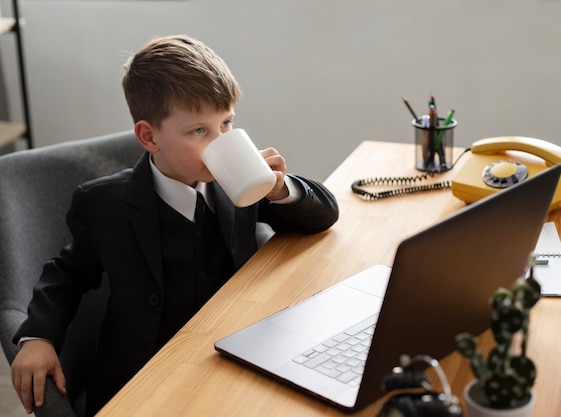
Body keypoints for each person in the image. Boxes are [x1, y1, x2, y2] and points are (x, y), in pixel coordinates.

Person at [10, 34, 339, 416]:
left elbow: (324, 215)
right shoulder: (104, 203)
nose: (220, 140)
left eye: (227, 124)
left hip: (232, 358)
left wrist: (281, 188)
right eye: (199, 131)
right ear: (149, 137)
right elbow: (66, 274)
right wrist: (39, 336)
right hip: (142, 378)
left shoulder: (238, 186)